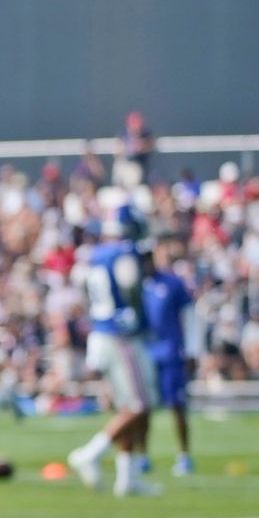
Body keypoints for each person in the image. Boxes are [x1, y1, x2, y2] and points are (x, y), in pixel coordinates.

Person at [67, 209, 158, 497]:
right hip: (119, 335)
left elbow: (82, 287)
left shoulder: (94, 254)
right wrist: (138, 316)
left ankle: (127, 478)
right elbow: (130, 284)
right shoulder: (124, 253)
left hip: (101, 332)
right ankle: (90, 454)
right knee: (139, 405)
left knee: (127, 407)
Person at [140, 240, 198, 475]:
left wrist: (192, 350)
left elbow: (190, 317)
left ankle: (184, 454)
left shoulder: (172, 283)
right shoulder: (136, 287)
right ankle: (142, 455)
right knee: (141, 408)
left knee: (177, 405)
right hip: (145, 353)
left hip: (171, 352)